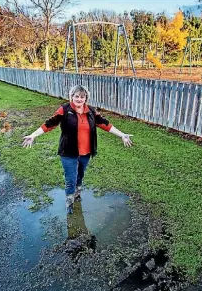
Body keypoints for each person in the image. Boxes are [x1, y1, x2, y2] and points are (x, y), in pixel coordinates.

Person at [22, 85, 133, 213]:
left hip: (85, 153)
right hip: (68, 152)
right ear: (72, 97)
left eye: (82, 97)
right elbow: (49, 124)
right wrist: (33, 135)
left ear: (86, 98)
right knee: (71, 179)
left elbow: (105, 124)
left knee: (80, 176)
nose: (79, 99)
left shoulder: (91, 111)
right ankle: (69, 203)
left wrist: (122, 135)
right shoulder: (64, 110)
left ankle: (77, 193)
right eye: (76, 96)